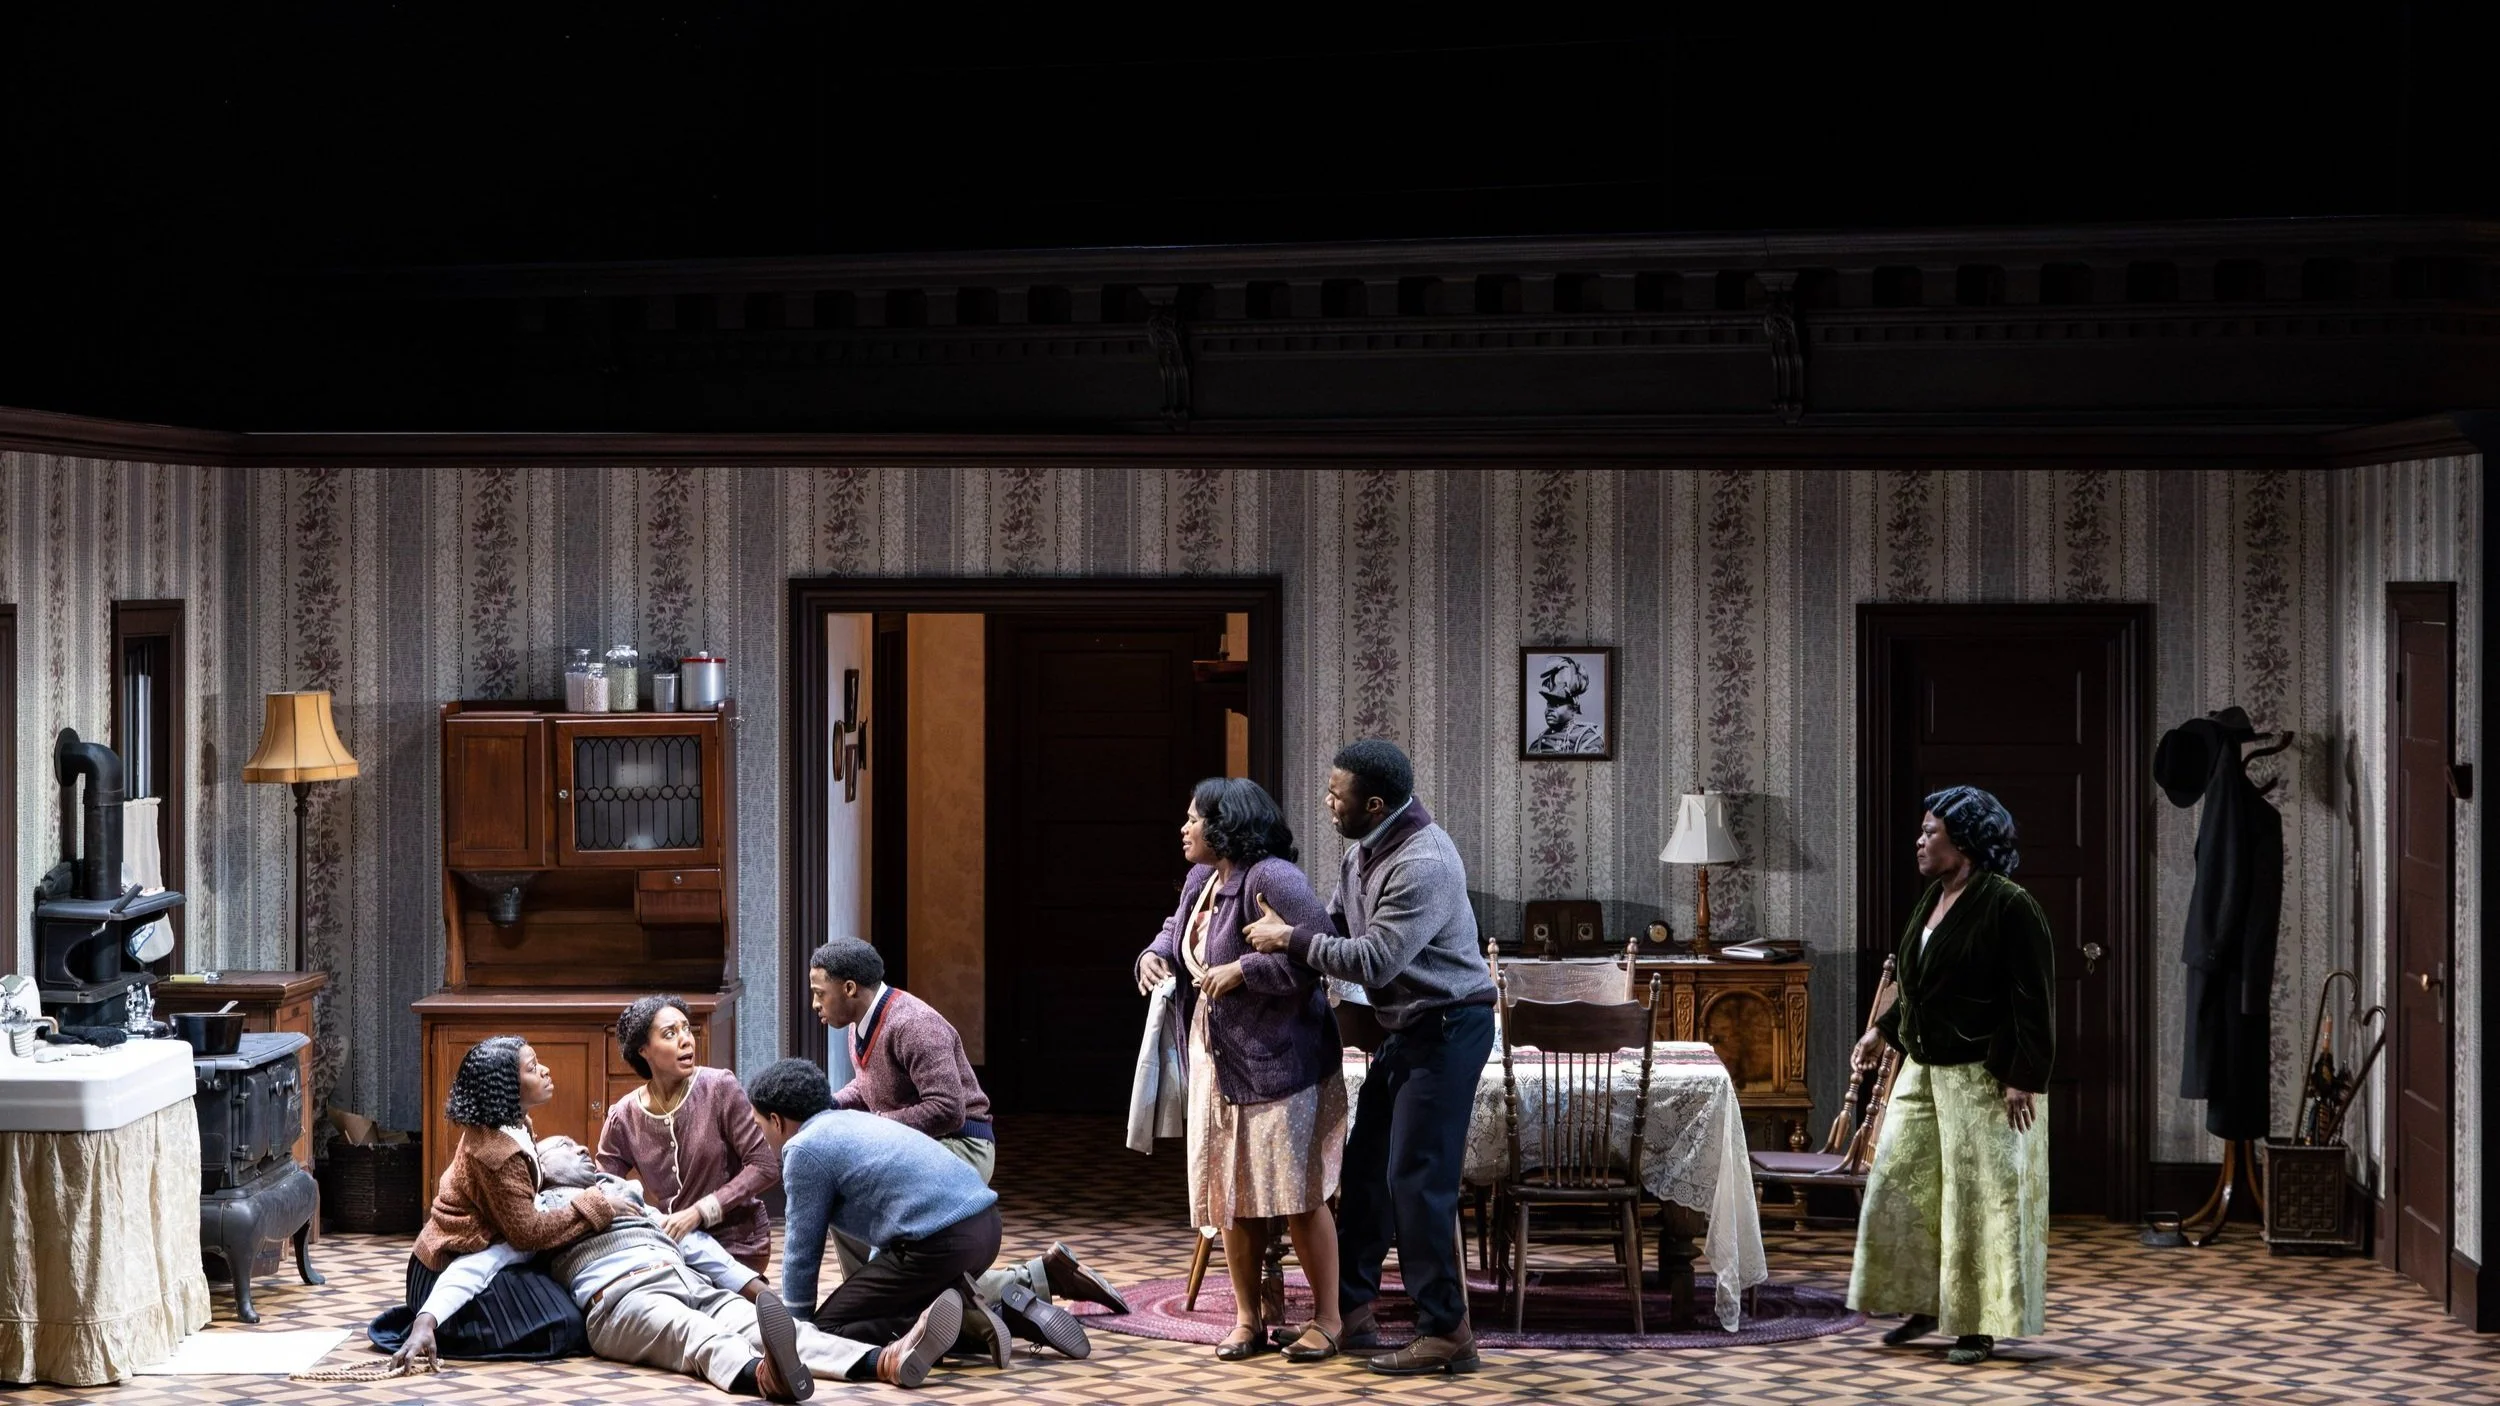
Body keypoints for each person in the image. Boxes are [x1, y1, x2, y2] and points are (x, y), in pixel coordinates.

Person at [1244, 739, 1497, 1376]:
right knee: (1363, 1172)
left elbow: (1375, 959)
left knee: (1417, 1180)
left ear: (1376, 803)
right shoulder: (1364, 851)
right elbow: (1333, 928)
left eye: (1338, 795)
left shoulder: (1422, 862)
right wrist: (1287, 936)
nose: (1327, 803)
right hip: (1406, 1028)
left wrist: (1289, 939)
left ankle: (1447, 1331)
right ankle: (1353, 1311)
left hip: (1448, 1026)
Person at [394, 1137, 881, 1396]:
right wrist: (427, 1320)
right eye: (565, 1147)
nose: (582, 1149)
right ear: (539, 1168)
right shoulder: (539, 1213)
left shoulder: (623, 1194)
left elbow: (694, 1244)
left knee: (773, 1326)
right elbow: (476, 1267)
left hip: (684, 1278)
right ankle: (764, 1377)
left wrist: (754, 1288)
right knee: (699, 1335)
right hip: (622, 1300)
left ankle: (884, 1360)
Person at [805, 938, 1129, 1323]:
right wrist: (830, 1104)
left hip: (960, 1146)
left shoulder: (913, 1024)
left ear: (849, 989)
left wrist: (872, 1127)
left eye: (819, 993)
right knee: (843, 1197)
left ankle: (887, 1311)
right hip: (916, 1147)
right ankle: (883, 1311)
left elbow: (947, 1109)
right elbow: (870, 1088)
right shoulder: (859, 1025)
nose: (815, 1004)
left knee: (905, 1267)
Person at [1134, 777, 1345, 1363]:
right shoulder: (1203, 879)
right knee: (1228, 1190)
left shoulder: (1273, 878)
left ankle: (1330, 1320)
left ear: (1225, 826)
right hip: (1217, 1057)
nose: (1184, 828)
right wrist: (1153, 954)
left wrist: (1246, 970)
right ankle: (1248, 1320)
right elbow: (1177, 929)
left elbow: (1318, 956)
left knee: (1298, 1192)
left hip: (1280, 1062)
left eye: (1194, 818)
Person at [1846, 785, 2054, 1366]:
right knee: (1900, 1183)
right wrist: (1882, 1030)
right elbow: (1919, 987)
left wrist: (2023, 1077)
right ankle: (1922, 1301)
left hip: (1983, 1075)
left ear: (1963, 841)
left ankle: (1976, 1324)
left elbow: (2034, 1000)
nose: (1919, 841)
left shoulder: (2010, 905)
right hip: (1924, 1066)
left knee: (1977, 1200)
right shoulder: (1933, 899)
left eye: (1930, 831)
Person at [747, 1058, 1089, 1374]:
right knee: (892, 1310)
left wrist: (796, 1331)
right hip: (985, 1226)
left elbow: (802, 1250)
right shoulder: (853, 1120)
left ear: (776, 1121)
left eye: (759, 1125)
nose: (760, 1137)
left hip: (941, 1243)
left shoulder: (803, 1148)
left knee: (828, 1331)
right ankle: (1011, 1313)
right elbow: (890, 1211)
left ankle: (989, 1319)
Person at [400, 1036, 633, 1359]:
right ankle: (431, 1326)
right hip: (446, 1266)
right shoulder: (496, 1153)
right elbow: (525, 1235)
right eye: (533, 1068)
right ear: (507, 1087)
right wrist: (597, 1206)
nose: (545, 1071)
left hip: (491, 1250)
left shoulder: (513, 1123)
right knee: (566, 1326)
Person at [598, 994, 781, 1276]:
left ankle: (752, 1293)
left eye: (686, 1028)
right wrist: (634, 1213)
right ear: (643, 1049)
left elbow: (764, 1166)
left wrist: (698, 1212)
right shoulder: (624, 1115)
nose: (686, 1040)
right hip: (672, 1242)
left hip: (736, 1241)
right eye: (670, 1034)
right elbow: (604, 1182)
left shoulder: (719, 1087)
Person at [1526, 656, 1603, 755]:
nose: (1550, 709)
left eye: (1558, 704)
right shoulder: (1537, 745)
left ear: (1574, 709)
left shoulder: (1587, 738)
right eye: (1549, 704)